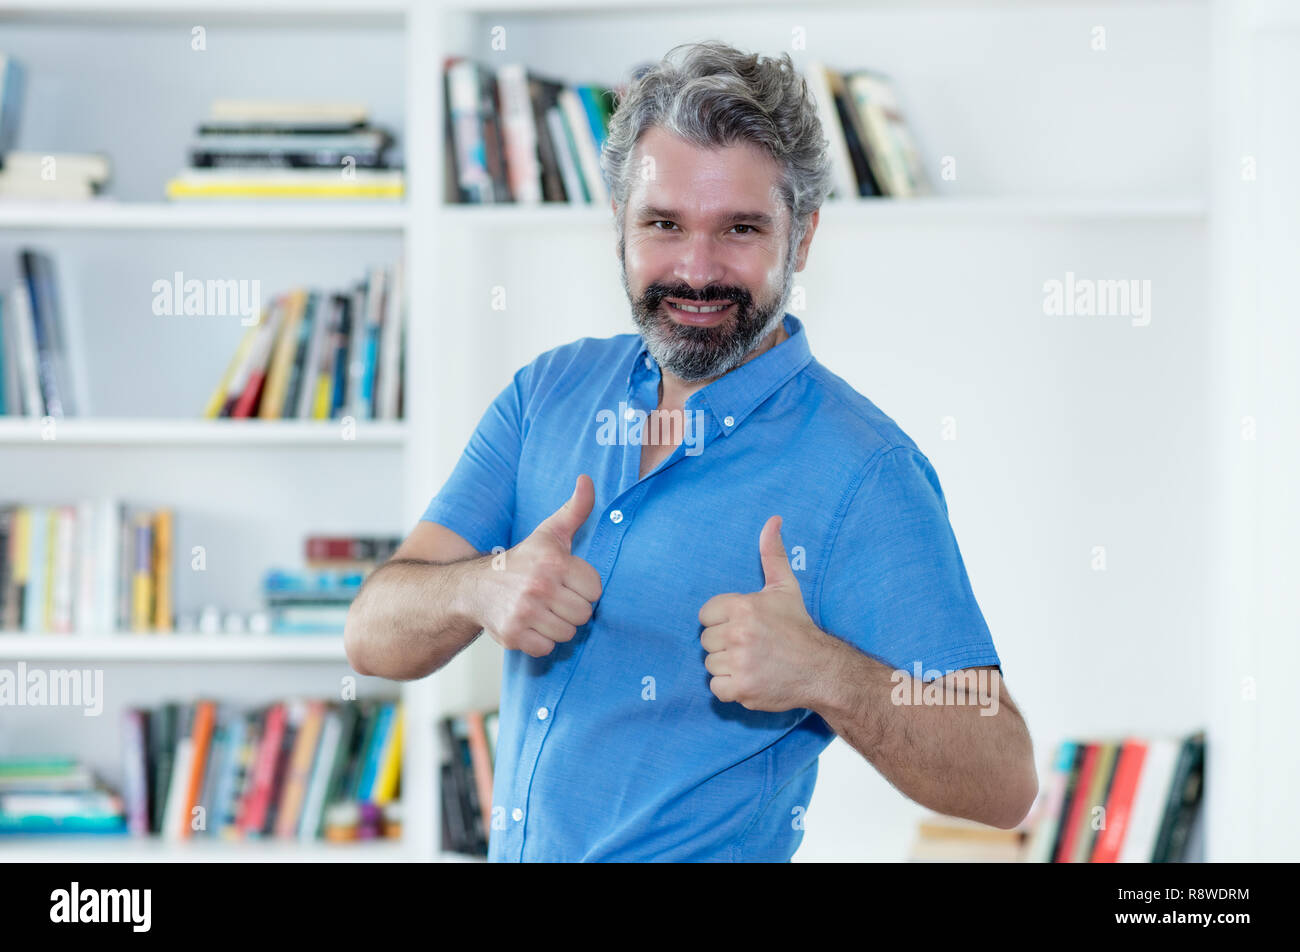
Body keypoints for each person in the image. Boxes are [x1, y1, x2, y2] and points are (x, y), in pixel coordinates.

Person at [345, 40, 1036, 862]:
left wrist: (822, 672)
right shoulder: (549, 394)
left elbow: (1004, 779)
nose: (697, 270)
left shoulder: (864, 470)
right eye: (664, 224)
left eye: (740, 229)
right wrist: (479, 589)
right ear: (619, 226)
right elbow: (371, 635)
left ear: (803, 237)